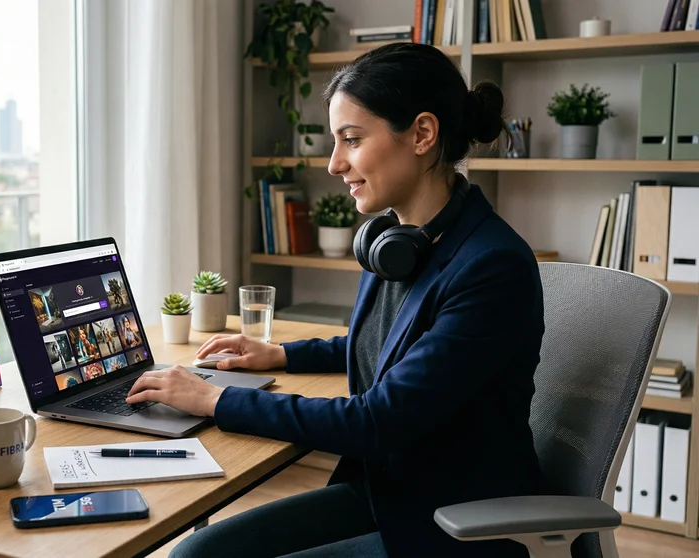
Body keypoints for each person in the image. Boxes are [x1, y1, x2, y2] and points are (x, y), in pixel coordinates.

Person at [125, 42, 546, 558]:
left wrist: (213, 399)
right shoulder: (401, 242)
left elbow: (377, 421)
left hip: (453, 522)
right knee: (197, 554)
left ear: (422, 134)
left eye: (351, 139)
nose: (333, 164)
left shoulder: (491, 265)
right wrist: (281, 354)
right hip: (390, 493)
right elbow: (396, 346)